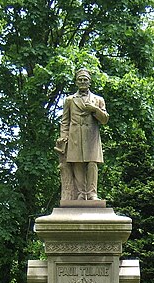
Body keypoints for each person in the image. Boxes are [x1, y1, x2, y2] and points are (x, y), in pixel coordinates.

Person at [56, 68, 109, 201]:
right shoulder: (69, 100)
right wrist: (63, 137)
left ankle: (92, 193)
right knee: (77, 164)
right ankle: (80, 193)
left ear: (89, 82)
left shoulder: (98, 99)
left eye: (85, 79)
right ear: (76, 82)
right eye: (80, 79)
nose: (82, 82)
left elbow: (105, 120)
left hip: (91, 137)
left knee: (92, 164)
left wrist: (94, 109)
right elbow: (65, 121)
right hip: (75, 137)